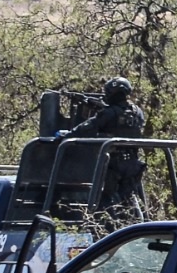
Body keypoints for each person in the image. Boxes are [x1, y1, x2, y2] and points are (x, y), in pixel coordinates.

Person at [62, 77, 147, 211]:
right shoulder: (138, 112)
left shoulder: (109, 113)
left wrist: (66, 136)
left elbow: (87, 127)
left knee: (103, 199)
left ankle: (104, 226)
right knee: (128, 198)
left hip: (114, 164)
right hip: (133, 164)